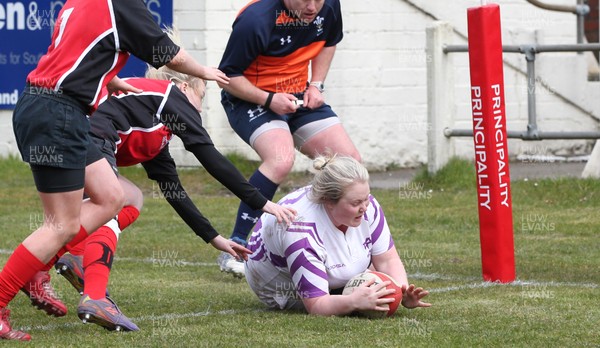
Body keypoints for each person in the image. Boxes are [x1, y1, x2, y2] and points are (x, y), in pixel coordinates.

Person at [0, 0, 229, 341]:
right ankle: (10, 290)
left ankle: (37, 266)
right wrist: (204, 71)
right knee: (61, 225)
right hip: (58, 112)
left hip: (55, 109)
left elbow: (70, 52)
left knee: (112, 197)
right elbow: (169, 54)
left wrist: (111, 80)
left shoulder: (76, 3)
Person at [54, 60, 296, 331]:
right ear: (183, 86)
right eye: (201, 96)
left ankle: (45, 270)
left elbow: (174, 192)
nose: (201, 108)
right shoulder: (168, 96)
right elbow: (212, 159)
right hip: (74, 139)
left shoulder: (155, 125)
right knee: (115, 199)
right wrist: (263, 203)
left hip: (64, 141)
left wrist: (214, 239)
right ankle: (94, 295)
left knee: (128, 199)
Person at [216, 0, 361, 278]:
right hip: (250, 99)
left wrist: (316, 84)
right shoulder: (255, 19)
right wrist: (269, 99)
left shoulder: (329, 5)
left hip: (298, 96)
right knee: (281, 160)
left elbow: (329, 39)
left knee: (349, 163)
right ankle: (236, 246)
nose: (312, 6)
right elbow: (227, 77)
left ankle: (340, 242)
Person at [245, 155, 431, 315]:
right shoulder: (300, 230)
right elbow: (317, 305)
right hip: (277, 282)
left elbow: (387, 260)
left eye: (366, 198)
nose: (365, 207)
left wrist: (400, 291)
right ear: (328, 201)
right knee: (355, 295)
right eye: (356, 202)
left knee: (369, 280)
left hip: (323, 253)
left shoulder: (368, 205)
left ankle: (345, 284)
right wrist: (352, 302)